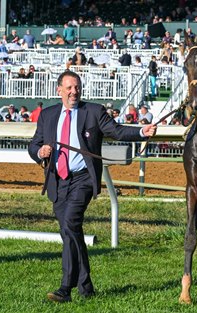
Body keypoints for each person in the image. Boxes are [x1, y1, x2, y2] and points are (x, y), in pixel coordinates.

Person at [28, 71, 157, 303]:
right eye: (69, 88)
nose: (73, 92)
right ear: (59, 90)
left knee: (69, 223)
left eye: (76, 87)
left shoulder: (94, 111)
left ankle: (65, 288)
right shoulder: (48, 115)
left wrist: (140, 131)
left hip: (83, 179)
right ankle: (86, 286)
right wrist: (40, 152)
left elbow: (116, 131)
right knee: (70, 232)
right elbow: (34, 144)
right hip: (57, 181)